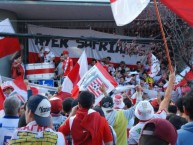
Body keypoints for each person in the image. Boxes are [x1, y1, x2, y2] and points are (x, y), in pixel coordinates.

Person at [128, 72, 175, 145]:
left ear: (137, 113)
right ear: (151, 110)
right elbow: (166, 98)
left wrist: (139, 94)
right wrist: (171, 81)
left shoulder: (133, 131)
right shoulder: (160, 117)